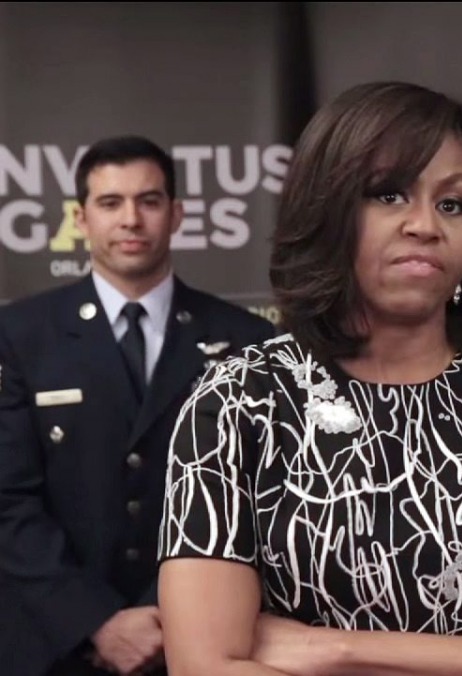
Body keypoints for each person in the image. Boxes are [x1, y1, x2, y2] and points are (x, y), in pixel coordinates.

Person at [156, 82, 462, 676]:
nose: (425, 224)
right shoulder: (240, 401)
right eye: (388, 195)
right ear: (326, 208)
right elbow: (205, 667)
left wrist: (332, 649)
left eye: (453, 203)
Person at [0, 135, 276, 676]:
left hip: (197, 642)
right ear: (80, 218)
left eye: (149, 201)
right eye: (110, 202)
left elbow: (256, 500)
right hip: (54, 646)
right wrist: (95, 621)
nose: (131, 219)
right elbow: (7, 498)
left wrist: (166, 616)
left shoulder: (246, 338)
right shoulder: (18, 335)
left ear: (176, 214)